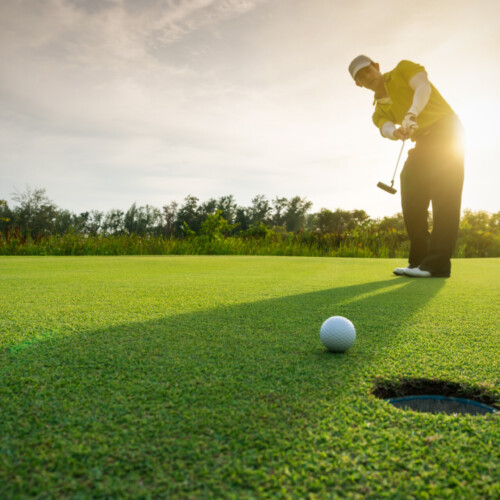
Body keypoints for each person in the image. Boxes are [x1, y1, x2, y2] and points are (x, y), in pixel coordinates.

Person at [348, 55, 464, 278]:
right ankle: (419, 260)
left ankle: (438, 264)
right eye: (361, 77)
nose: (367, 77)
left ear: (377, 67)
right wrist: (397, 132)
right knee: (410, 189)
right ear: (358, 84)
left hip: (447, 131)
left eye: (368, 70)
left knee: (445, 197)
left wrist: (412, 113)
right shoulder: (378, 111)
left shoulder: (403, 68)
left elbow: (422, 86)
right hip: (422, 141)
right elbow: (385, 128)